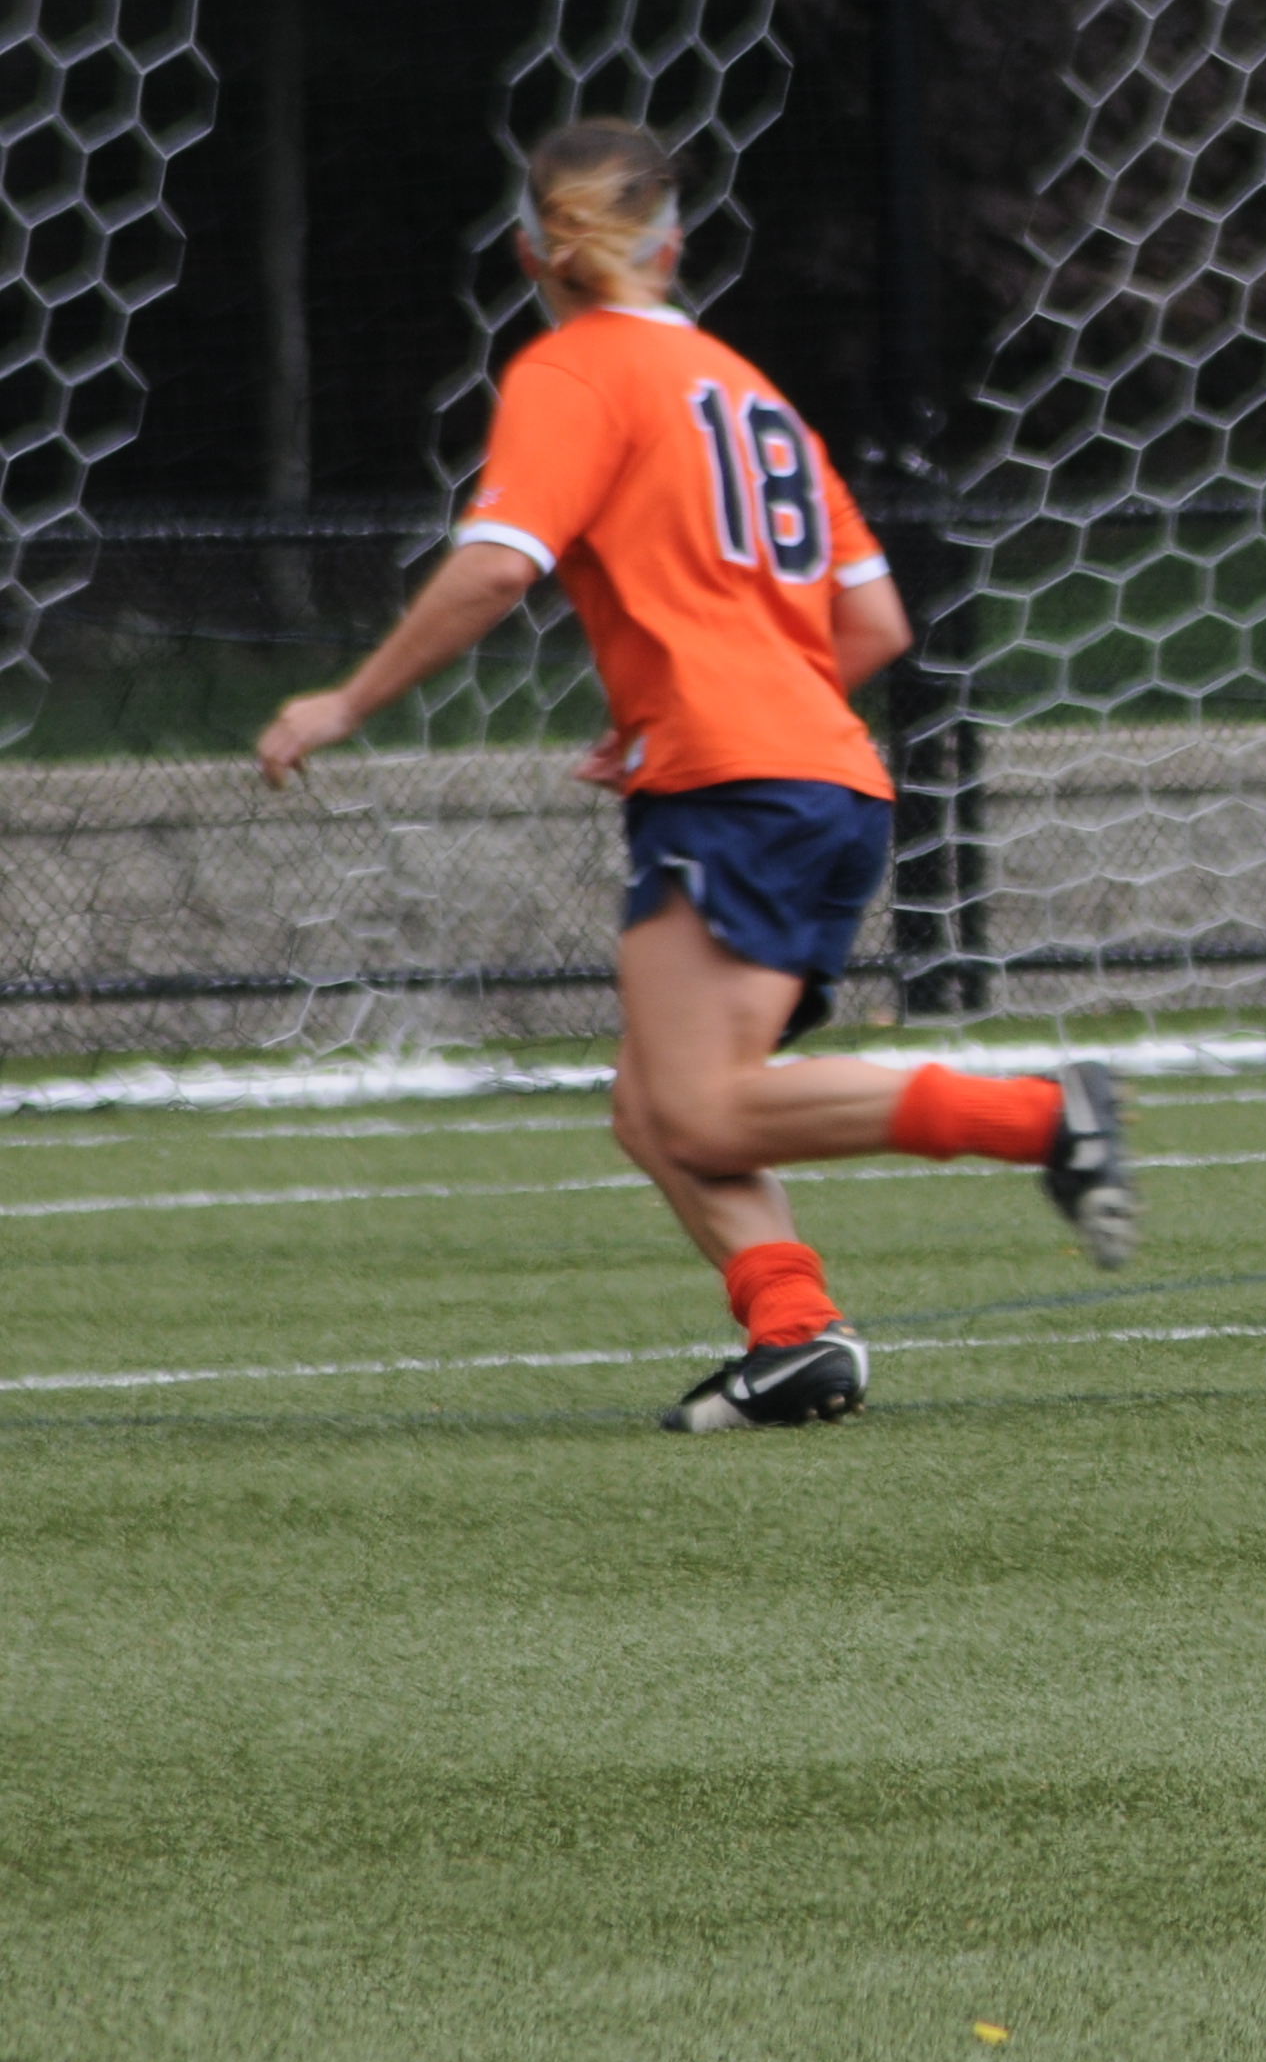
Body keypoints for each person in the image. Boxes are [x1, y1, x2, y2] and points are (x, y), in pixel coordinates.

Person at [253, 120, 1138, 1433]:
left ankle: (1041, 1116)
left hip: (738, 785)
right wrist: (715, 702)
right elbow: (877, 623)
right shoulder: (747, 390)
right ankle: (794, 1336)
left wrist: (345, 700)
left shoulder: (573, 371)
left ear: (528, 254)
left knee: (704, 1110)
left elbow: (496, 567)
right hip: (822, 777)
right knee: (652, 1105)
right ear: (673, 246)